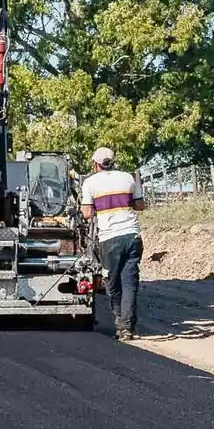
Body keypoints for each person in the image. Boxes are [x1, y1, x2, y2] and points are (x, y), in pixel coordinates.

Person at [80, 146, 146, 340]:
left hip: (110, 239)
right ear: (113, 162)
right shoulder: (128, 178)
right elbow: (140, 204)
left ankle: (120, 321)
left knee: (112, 283)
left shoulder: (90, 183)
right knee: (130, 283)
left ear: (95, 164)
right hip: (132, 237)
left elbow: (86, 213)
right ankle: (127, 327)